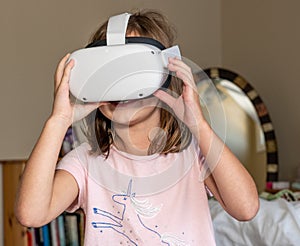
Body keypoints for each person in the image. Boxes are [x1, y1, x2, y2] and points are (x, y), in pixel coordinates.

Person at [15, 9, 259, 245]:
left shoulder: (194, 156)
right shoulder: (85, 163)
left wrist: (199, 126)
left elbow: (246, 208)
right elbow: (32, 214)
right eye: (110, 73)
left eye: (135, 71)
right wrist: (58, 121)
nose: (123, 87)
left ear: (165, 77)